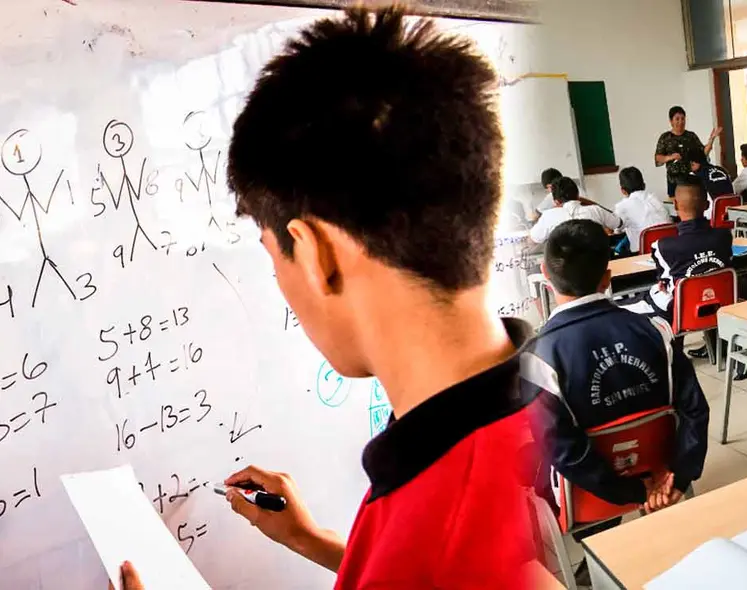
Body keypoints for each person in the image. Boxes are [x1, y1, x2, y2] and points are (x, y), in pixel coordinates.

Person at [113, 8, 541, 589]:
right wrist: (309, 541)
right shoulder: (507, 418)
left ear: (316, 254)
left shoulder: (456, 516)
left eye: (273, 259)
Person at [522, 218, 709, 523]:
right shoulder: (657, 330)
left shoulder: (537, 361)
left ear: (545, 275)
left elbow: (563, 451)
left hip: (588, 499)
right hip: (661, 471)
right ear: (607, 277)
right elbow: (695, 410)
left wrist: (630, 491)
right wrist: (680, 474)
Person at [622, 176, 732, 361]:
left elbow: (664, 282)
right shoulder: (724, 236)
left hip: (680, 311)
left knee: (623, 308)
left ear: (675, 204)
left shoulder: (663, 246)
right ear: (707, 205)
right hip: (719, 302)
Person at [654, 105, 722, 197]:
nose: (680, 122)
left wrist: (712, 139)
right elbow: (658, 158)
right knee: (677, 207)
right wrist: (670, 157)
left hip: (692, 178)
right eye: (677, 119)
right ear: (671, 121)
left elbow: (703, 153)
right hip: (674, 180)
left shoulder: (691, 136)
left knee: (694, 204)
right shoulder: (665, 137)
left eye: (683, 119)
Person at [530, 177, 622, 244]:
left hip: (566, 268)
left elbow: (534, 238)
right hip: (598, 265)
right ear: (578, 195)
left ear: (556, 202)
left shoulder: (548, 216)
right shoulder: (596, 210)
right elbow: (618, 223)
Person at [614, 167, 670, 254]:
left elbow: (616, 230)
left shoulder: (622, 206)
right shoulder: (656, 200)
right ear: (644, 185)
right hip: (669, 251)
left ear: (623, 191)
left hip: (643, 256)